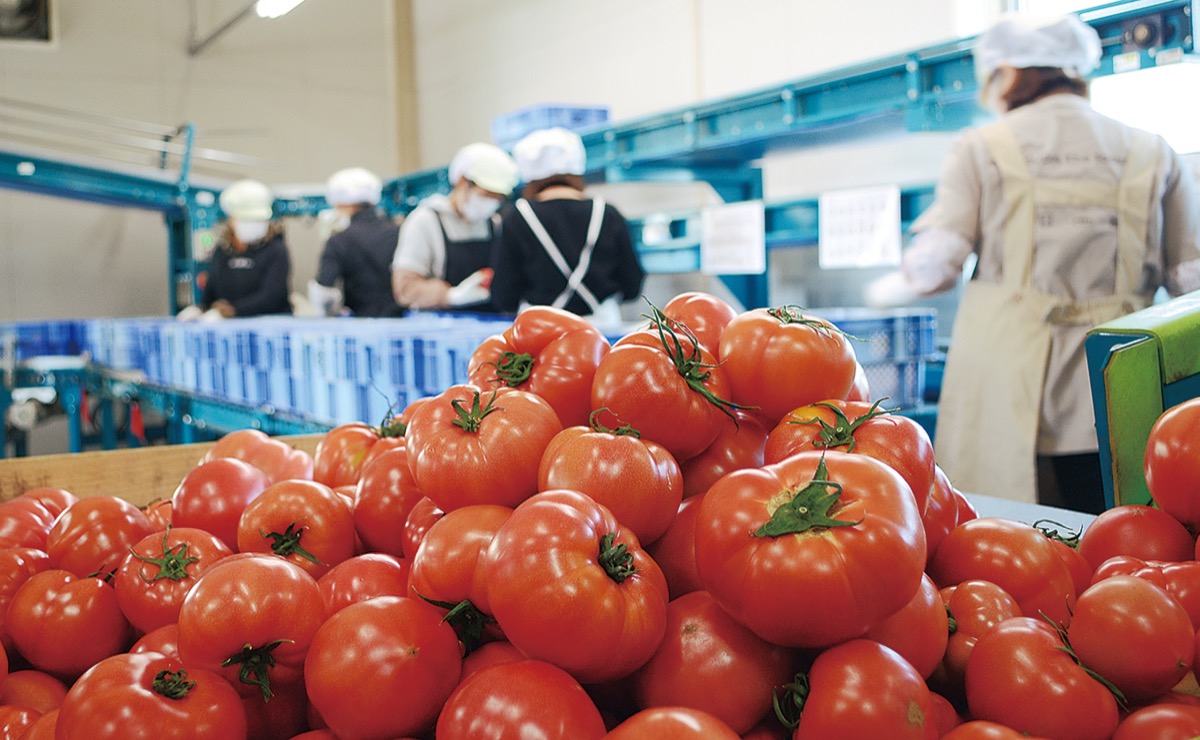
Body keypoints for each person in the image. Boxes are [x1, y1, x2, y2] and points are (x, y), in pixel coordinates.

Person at [865, 13, 1200, 513]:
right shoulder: (1153, 150)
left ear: (1009, 73)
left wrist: (884, 289)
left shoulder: (982, 147)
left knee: (1010, 526)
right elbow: (1190, 281)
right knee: (1121, 523)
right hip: (1121, 381)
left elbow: (936, 268)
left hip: (1008, 385)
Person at [490, 127, 645, 326]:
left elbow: (503, 294)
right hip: (601, 329)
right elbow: (632, 284)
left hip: (540, 330)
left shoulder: (516, 217)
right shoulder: (607, 213)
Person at [390, 142, 520, 310]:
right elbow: (406, 289)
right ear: (462, 182)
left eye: (497, 198)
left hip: (490, 320)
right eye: (486, 195)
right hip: (442, 323)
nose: (491, 203)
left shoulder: (494, 223)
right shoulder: (425, 222)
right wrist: (451, 296)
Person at [308, 167, 404, 318]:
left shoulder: (339, 241)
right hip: (400, 321)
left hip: (360, 324)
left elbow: (323, 292)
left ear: (343, 204)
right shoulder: (398, 232)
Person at [197, 178, 293, 318]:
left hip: (270, 324)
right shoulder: (222, 251)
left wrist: (233, 311)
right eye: (247, 219)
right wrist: (200, 309)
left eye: (259, 220)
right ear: (231, 220)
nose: (253, 224)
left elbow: (272, 296)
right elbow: (210, 291)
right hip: (228, 326)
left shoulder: (276, 250)